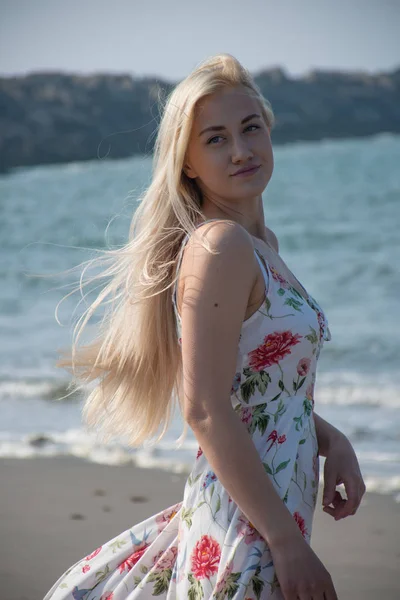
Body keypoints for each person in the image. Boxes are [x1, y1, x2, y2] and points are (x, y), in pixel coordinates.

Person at [44, 54, 366, 600]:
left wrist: (331, 439)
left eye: (250, 128)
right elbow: (204, 409)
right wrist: (286, 543)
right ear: (187, 162)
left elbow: (260, 396)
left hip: (268, 510)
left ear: (269, 130)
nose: (241, 150)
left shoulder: (264, 247)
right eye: (215, 139)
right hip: (250, 528)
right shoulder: (220, 246)